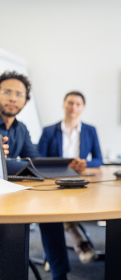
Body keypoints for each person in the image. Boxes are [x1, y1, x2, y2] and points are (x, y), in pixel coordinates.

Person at [0, 71, 70, 280]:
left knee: (51, 210)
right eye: (7, 92)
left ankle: (60, 275)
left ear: (25, 100)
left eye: (19, 94)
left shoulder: (21, 129)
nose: (13, 98)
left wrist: (67, 165)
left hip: (10, 194)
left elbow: (35, 161)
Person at [38, 91, 101, 264]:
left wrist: (84, 164)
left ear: (82, 108)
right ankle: (77, 239)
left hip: (80, 181)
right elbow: (38, 159)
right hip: (54, 181)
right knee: (62, 204)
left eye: (78, 104)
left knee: (70, 203)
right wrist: (64, 166)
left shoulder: (90, 130)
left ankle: (54, 253)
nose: (73, 107)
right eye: (70, 103)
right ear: (64, 105)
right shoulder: (49, 131)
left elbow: (99, 158)